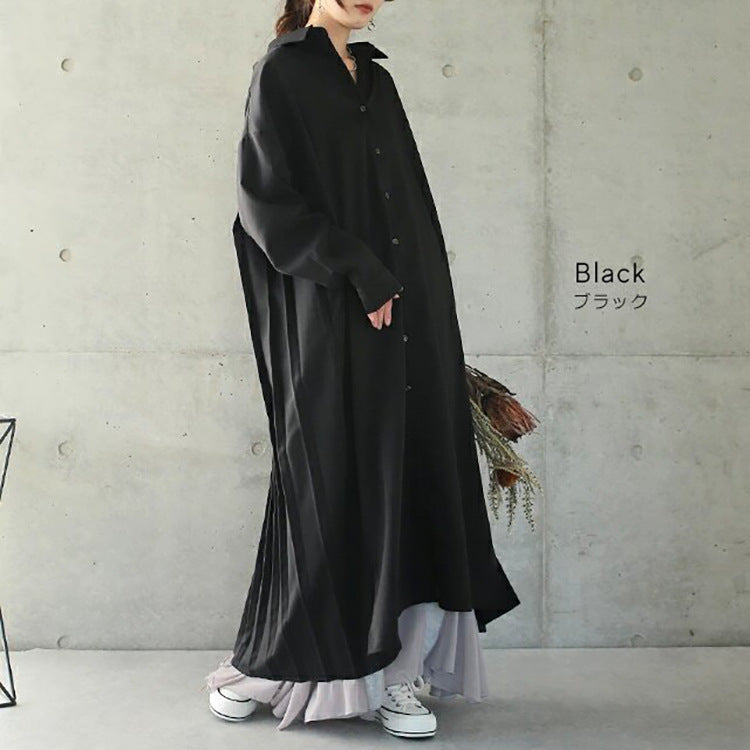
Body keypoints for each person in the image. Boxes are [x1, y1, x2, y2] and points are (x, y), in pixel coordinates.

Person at [203, 0, 521, 737]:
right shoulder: (282, 73)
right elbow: (265, 204)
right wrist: (360, 270)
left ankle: (398, 677)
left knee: (412, 483)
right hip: (335, 316)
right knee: (334, 483)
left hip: (410, 318)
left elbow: (413, 208)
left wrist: (428, 312)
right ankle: (274, 665)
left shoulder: (379, 81)